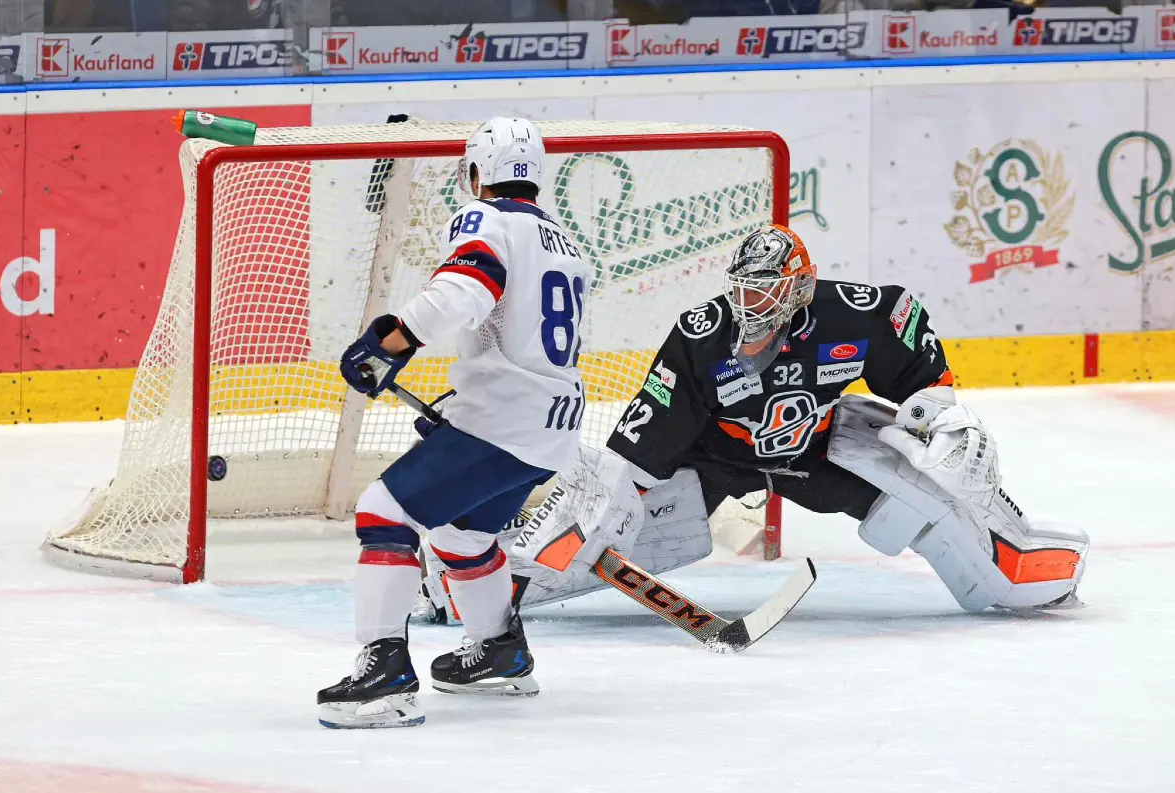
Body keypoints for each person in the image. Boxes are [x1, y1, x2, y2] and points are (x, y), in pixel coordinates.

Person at [424, 224, 1087, 620]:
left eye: (765, 291)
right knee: (612, 529)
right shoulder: (702, 337)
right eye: (742, 289)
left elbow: (910, 341)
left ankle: (1026, 568)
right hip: (715, 456)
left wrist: (941, 420)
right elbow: (638, 454)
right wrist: (603, 509)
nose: (749, 303)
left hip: (817, 452)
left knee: (929, 493)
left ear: (798, 288)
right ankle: (475, 581)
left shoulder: (851, 315)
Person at [318, 117, 591, 729]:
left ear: (476, 173)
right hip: (552, 424)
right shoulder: (567, 242)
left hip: (505, 420)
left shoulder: (483, 218)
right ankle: (500, 651)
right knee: (463, 536)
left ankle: (383, 668)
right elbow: (523, 341)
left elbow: (466, 289)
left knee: (384, 512)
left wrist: (392, 340)